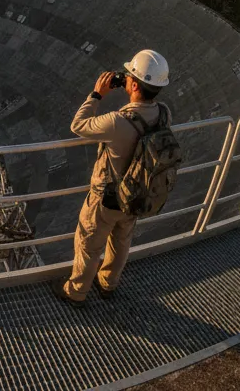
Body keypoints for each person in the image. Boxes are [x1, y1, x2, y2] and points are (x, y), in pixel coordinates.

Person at [55, 49, 171, 307]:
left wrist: (97, 94)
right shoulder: (164, 113)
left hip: (105, 198)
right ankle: (108, 284)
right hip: (137, 193)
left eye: (129, 76)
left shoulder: (116, 121)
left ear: (133, 84)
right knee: (121, 242)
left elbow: (79, 125)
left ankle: (76, 292)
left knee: (89, 243)